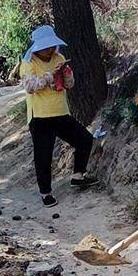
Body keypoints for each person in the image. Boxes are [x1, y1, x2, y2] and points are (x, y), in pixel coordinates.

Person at [19, 25, 97, 208]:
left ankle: (78, 175)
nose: (50, 50)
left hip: (61, 112)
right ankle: (45, 193)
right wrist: (49, 76)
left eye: (52, 46)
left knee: (85, 139)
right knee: (43, 157)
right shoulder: (28, 62)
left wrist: (67, 75)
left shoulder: (59, 58)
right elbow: (30, 87)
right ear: (37, 47)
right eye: (46, 47)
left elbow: (68, 85)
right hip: (39, 117)